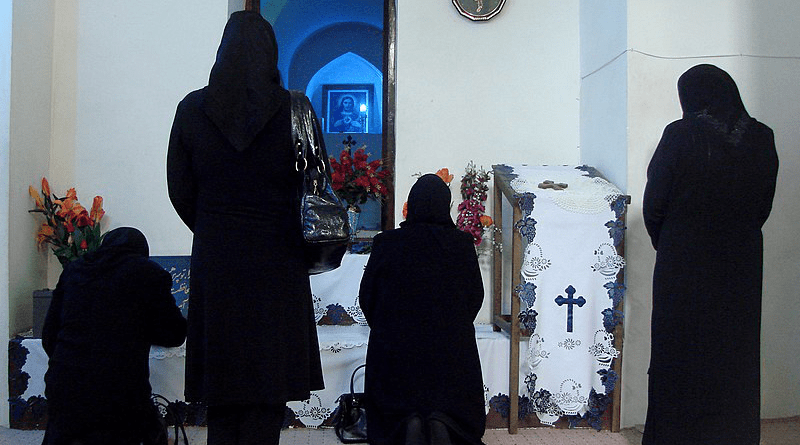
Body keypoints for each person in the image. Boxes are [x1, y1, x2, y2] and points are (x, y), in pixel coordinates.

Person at [166, 11, 324, 445]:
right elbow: (315, 184)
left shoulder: (191, 109)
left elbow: (179, 189)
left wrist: (215, 226)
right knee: (267, 380)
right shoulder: (296, 109)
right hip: (278, 260)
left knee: (223, 378)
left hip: (217, 259)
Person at [642, 64, 778, 445]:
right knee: (733, 354)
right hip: (742, 265)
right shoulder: (763, 137)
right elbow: (762, 205)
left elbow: (655, 204)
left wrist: (672, 242)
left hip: (684, 263)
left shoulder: (680, 134)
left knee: (680, 354)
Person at [359, 174, 486, 445]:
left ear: (412, 204)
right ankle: (444, 420)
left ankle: (406, 421)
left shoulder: (387, 242)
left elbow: (367, 295)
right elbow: (475, 296)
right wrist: (454, 324)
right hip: (449, 345)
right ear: (446, 206)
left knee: (393, 366)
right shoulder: (462, 245)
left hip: (396, 343)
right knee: (453, 360)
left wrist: (385, 326)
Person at [41, 227, 187, 445]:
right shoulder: (149, 273)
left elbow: (49, 335)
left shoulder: (74, 270)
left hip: (64, 385)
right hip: (120, 391)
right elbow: (173, 334)